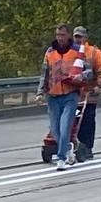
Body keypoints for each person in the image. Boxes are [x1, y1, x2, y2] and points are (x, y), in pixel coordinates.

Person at [36, 24, 90, 170]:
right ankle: (67, 149)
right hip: (53, 95)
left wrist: (81, 76)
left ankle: (61, 158)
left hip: (70, 95)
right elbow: (45, 73)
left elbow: (88, 70)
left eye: (62, 35)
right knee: (54, 129)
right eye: (57, 35)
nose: (60, 38)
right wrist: (40, 92)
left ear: (68, 36)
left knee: (65, 126)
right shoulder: (50, 51)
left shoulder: (77, 50)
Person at [73, 25, 101, 160]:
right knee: (72, 122)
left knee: (87, 121)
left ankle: (87, 147)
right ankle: (72, 145)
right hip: (73, 94)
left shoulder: (94, 52)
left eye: (80, 37)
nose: (78, 39)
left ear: (85, 38)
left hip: (89, 94)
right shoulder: (69, 52)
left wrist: (99, 85)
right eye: (76, 37)